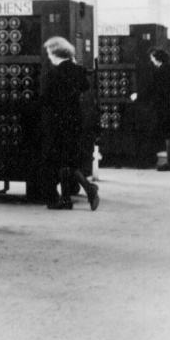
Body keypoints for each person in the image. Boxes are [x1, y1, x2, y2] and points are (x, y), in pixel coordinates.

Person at [40, 36, 100, 210]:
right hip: (75, 121)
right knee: (68, 161)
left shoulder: (53, 73)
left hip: (57, 122)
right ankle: (68, 199)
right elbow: (85, 88)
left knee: (59, 161)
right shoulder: (79, 71)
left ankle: (89, 190)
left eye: (49, 52)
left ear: (54, 53)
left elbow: (45, 99)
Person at [131, 47, 170, 171]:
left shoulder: (161, 71)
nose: (151, 60)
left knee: (166, 133)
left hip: (164, 106)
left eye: (152, 58)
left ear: (157, 58)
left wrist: (138, 95)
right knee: (169, 134)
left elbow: (152, 88)